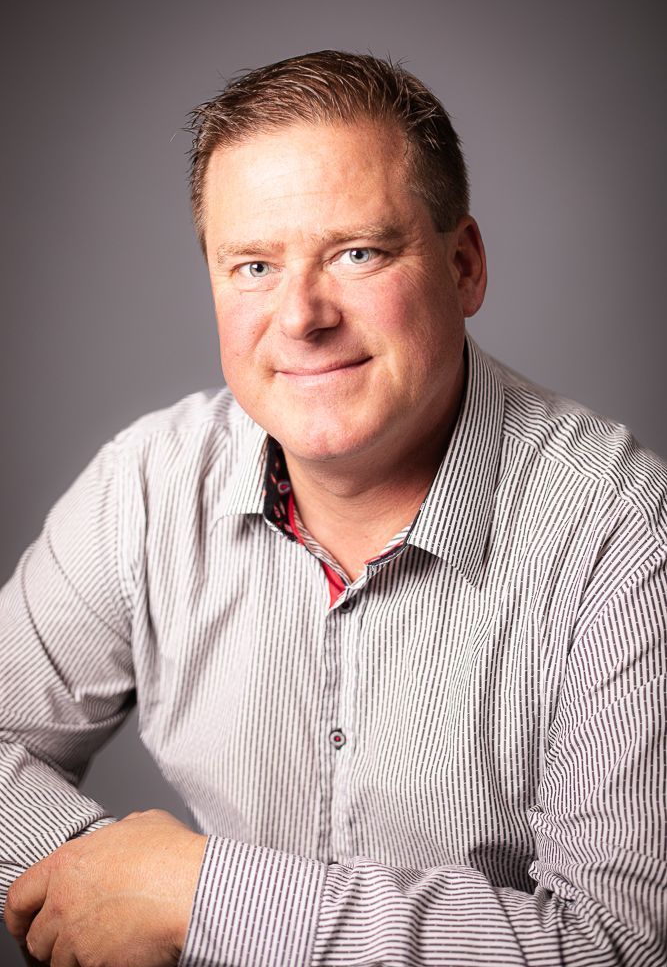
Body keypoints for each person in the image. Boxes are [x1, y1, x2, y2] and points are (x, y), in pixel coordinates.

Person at [1, 50, 665, 967]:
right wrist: (101, 876)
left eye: (357, 253)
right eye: (253, 265)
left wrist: (203, 901)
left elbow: (617, 947)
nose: (301, 315)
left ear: (463, 266)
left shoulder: (621, 535)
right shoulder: (145, 488)